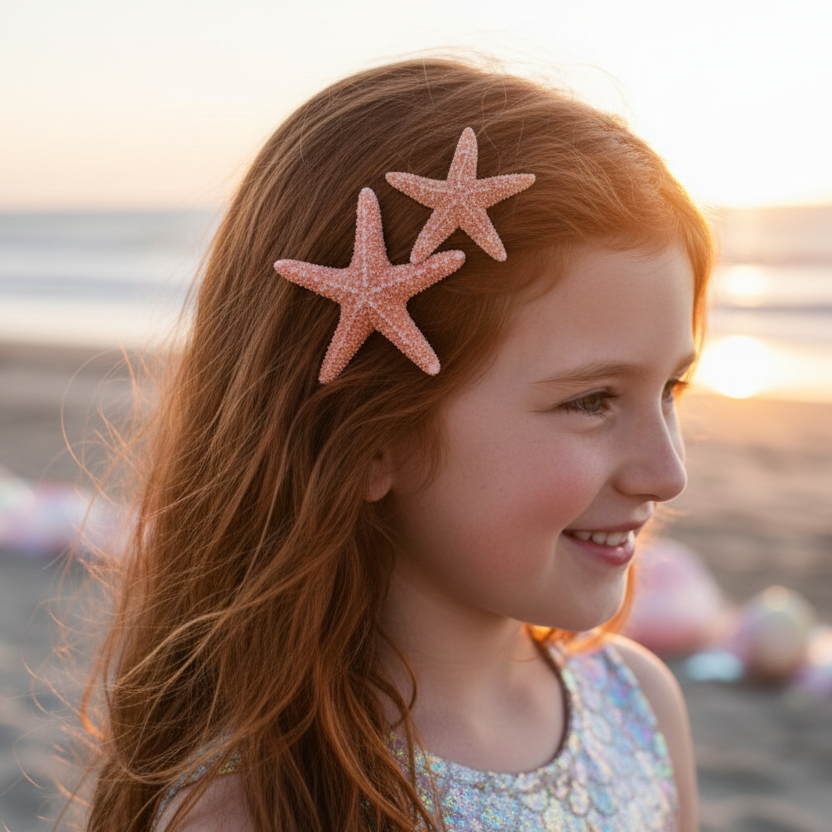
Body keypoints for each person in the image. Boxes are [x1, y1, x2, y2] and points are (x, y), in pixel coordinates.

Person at [80, 55, 713, 832]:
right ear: (372, 437)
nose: (668, 472)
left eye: (673, 390)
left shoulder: (641, 708)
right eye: (592, 399)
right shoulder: (258, 811)